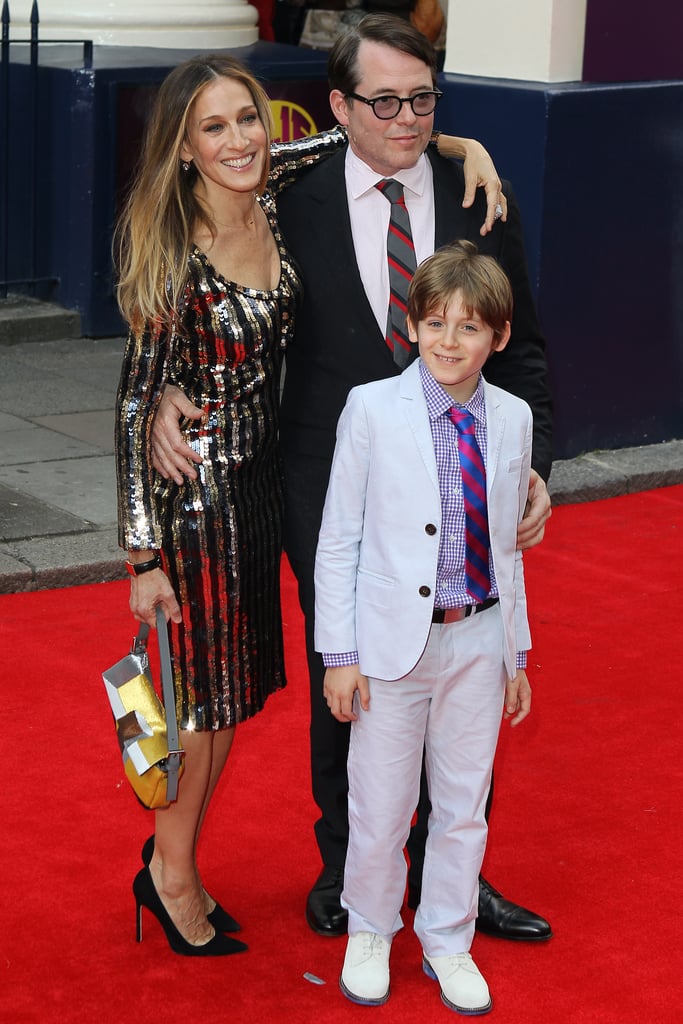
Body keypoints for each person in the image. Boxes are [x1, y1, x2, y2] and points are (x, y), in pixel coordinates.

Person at [150, 15, 553, 943]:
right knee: (355, 667)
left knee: (465, 663)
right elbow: (193, 259)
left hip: (461, 476)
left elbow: (522, 346)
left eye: (423, 100)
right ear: (338, 106)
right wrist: (167, 379)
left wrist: (528, 468)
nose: (406, 119)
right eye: (383, 101)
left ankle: (454, 876)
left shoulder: (472, 189)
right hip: (324, 476)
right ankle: (350, 869)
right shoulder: (286, 192)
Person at [114, 53, 302, 956]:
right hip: (196, 503)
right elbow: (129, 403)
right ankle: (169, 871)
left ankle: (174, 859)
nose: (239, 140)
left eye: (248, 118)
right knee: (202, 705)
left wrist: (457, 141)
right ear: (184, 148)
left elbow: (372, 135)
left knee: (229, 701)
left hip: (259, 493)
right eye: (214, 128)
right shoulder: (175, 253)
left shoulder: (271, 188)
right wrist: (142, 559)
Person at [315, 240, 533, 1012]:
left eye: (468, 328)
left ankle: (448, 937)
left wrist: (518, 653)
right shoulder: (372, 408)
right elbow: (338, 536)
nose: (448, 341)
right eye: (434, 322)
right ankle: (370, 927)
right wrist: (339, 654)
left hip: (478, 636)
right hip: (388, 646)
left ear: (498, 338)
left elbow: (506, 546)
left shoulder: (513, 417)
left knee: (464, 801)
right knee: (378, 802)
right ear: (411, 325)